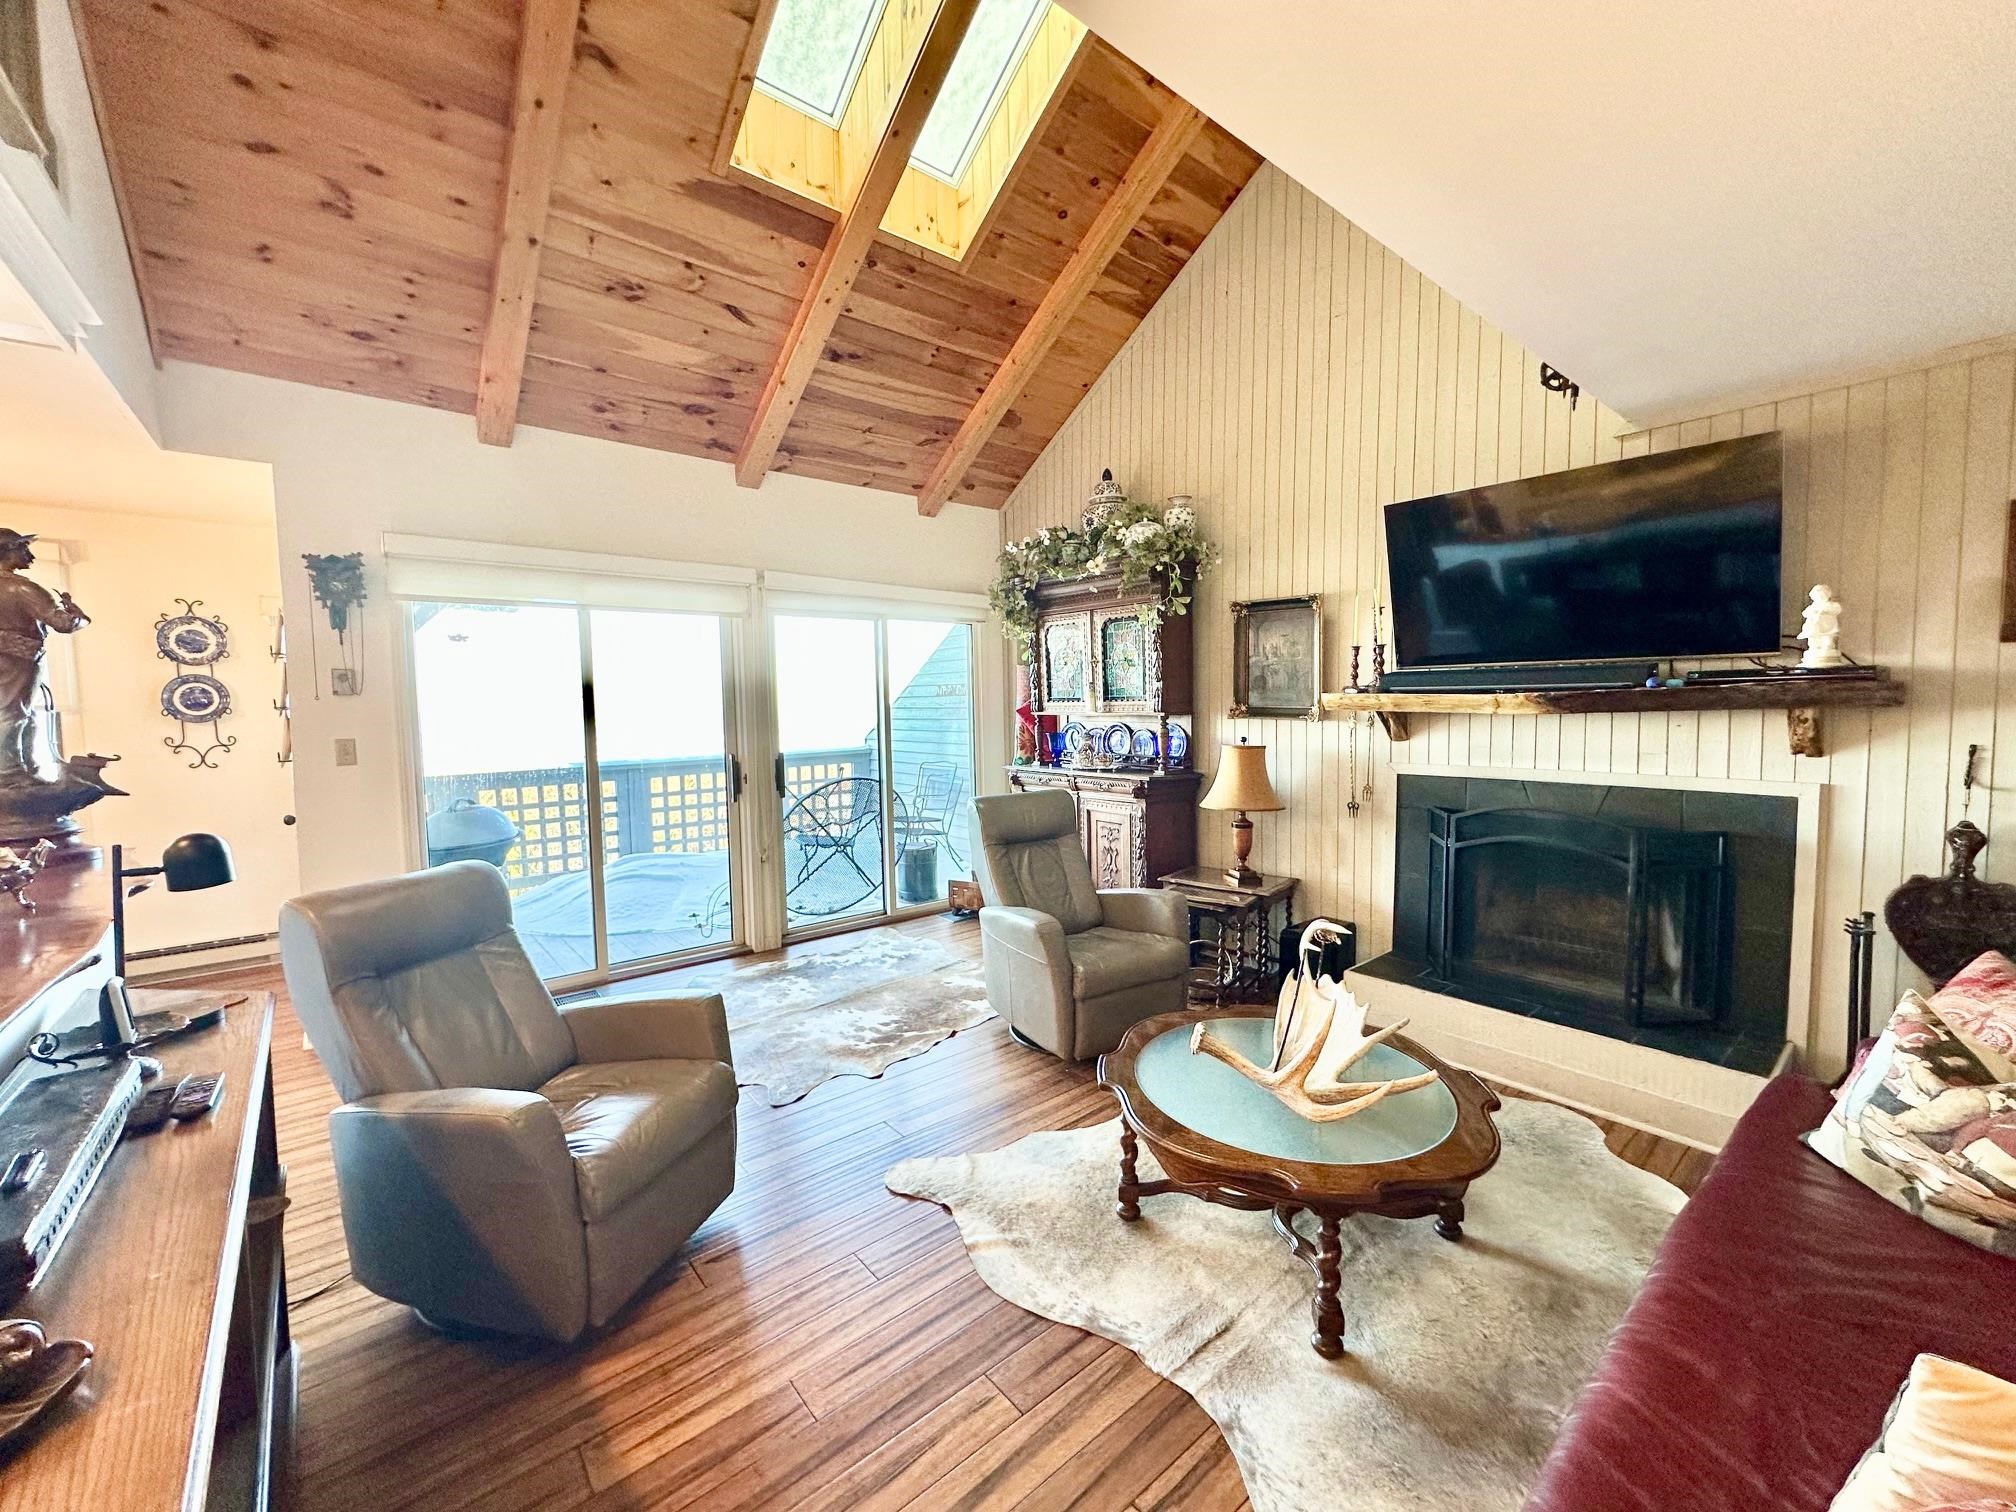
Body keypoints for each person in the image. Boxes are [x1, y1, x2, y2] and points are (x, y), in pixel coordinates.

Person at [0, 530, 88, 779]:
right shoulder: (22, 588)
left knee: (17, 712)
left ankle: (23, 768)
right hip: (19, 656)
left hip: (13, 655)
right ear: (7, 551)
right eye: (23, 549)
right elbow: (63, 623)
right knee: (14, 712)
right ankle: (11, 772)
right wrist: (79, 616)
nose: (30, 556)